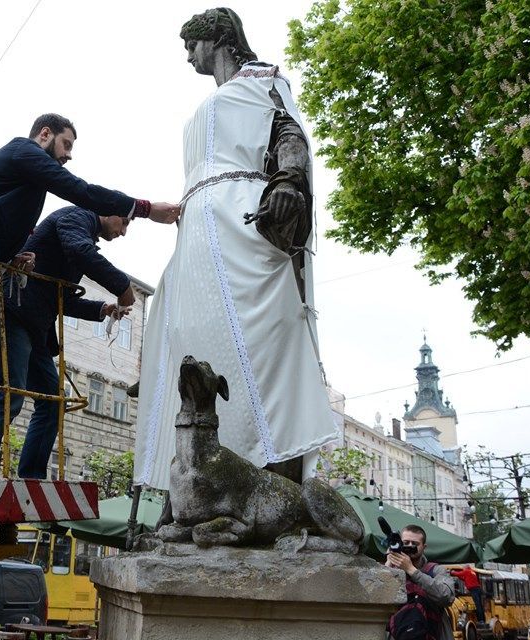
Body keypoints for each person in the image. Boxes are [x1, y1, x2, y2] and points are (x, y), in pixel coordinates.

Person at [0, 114, 180, 475]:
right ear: (45, 134)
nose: (68, 155)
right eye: (66, 144)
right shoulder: (22, 151)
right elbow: (81, 191)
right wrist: (145, 209)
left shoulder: (27, 189)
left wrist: (11, 257)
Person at [133, 8, 338, 490]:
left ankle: (274, 472)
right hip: (198, 228)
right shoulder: (211, 101)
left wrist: (288, 179)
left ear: (219, 38)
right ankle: (195, 477)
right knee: (191, 337)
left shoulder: (264, 79)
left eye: (192, 46)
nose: (188, 57)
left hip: (241, 213)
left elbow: (289, 133)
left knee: (264, 333)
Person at [0, 206, 134, 478]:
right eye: (123, 222)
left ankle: (31, 477)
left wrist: (102, 308)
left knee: (54, 402)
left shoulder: (81, 233)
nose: (123, 232)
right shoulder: (77, 219)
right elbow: (80, 251)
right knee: (9, 395)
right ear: (105, 210)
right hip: (16, 313)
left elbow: (61, 299)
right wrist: (122, 286)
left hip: (34, 326)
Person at [386, 524, 456, 640]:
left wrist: (412, 570)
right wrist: (388, 565)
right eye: (406, 542)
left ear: (424, 547)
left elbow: (446, 597)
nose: (410, 546)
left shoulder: (436, 570)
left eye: (415, 544)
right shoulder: (392, 570)